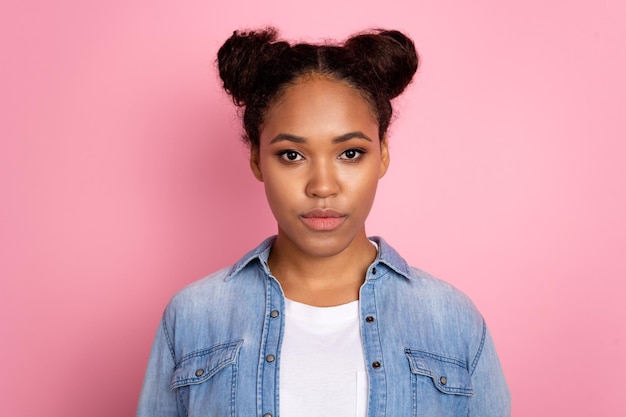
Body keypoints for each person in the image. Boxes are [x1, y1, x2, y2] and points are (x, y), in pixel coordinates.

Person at [136, 27, 511, 417]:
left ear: (382, 155)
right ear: (256, 159)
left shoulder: (451, 320)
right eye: (291, 155)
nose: (322, 186)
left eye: (350, 153)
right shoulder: (194, 317)